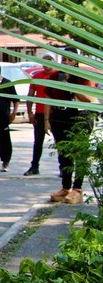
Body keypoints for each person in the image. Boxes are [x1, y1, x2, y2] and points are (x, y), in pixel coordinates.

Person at [45, 48, 98, 204]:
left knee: (79, 152)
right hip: (59, 117)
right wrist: (46, 120)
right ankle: (65, 186)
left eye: (70, 60)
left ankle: (78, 188)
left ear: (76, 61)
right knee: (64, 153)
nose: (66, 63)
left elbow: (88, 98)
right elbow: (48, 97)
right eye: (64, 60)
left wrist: (69, 84)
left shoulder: (81, 77)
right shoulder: (55, 76)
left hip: (79, 117)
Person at [24, 54, 57, 176]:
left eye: (50, 62)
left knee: (59, 141)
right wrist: (30, 112)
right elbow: (30, 95)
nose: (47, 65)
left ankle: (63, 169)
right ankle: (34, 166)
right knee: (38, 141)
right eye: (44, 62)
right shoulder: (37, 76)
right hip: (40, 113)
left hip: (55, 113)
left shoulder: (57, 76)